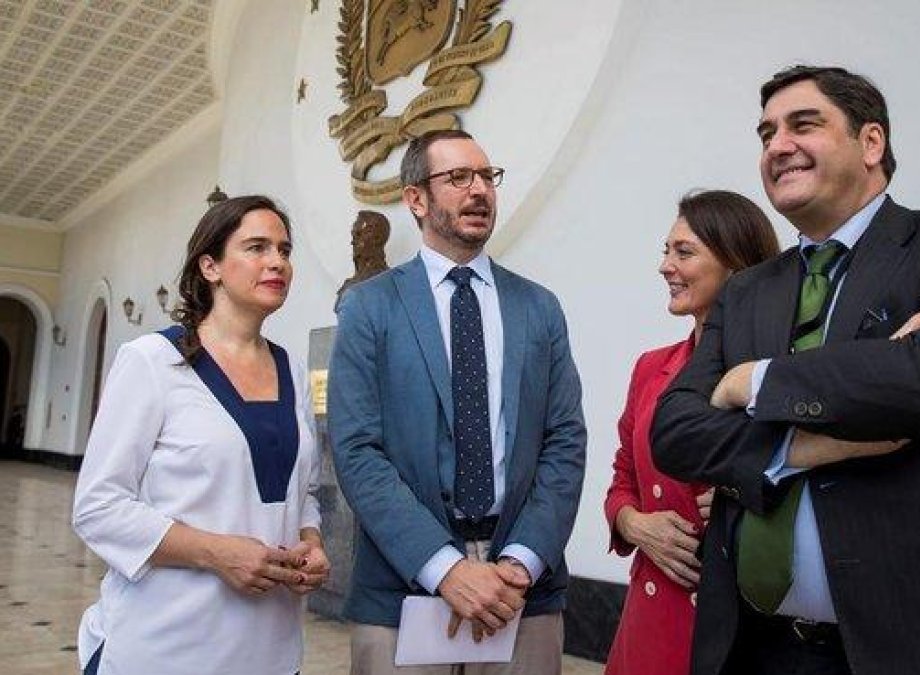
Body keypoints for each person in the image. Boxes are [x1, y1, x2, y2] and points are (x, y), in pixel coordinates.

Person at [651, 65, 920, 675]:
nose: (778, 146)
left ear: (871, 142)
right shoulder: (746, 291)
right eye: (767, 133)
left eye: (804, 125)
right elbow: (674, 431)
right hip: (757, 650)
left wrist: (750, 381)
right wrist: (804, 447)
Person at [328, 129, 586, 675]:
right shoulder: (369, 308)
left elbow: (565, 439)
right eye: (459, 178)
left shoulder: (539, 308)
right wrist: (443, 566)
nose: (480, 190)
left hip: (523, 589)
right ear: (416, 199)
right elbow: (356, 449)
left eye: (487, 177)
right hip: (402, 583)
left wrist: (522, 561)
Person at [73, 195, 329, 675]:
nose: (277, 261)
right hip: (165, 647)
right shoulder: (152, 361)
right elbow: (98, 507)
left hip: (270, 652)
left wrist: (311, 542)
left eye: (284, 250)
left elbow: (305, 492)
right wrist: (218, 554)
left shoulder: (292, 370)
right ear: (210, 267)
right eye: (257, 247)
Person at [603, 190, 779, 675]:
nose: (665, 266)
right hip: (650, 620)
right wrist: (633, 524)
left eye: (684, 252)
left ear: (736, 266)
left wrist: (743, 500)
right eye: (667, 251)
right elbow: (623, 477)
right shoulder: (651, 368)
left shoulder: (777, 375)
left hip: (736, 625)